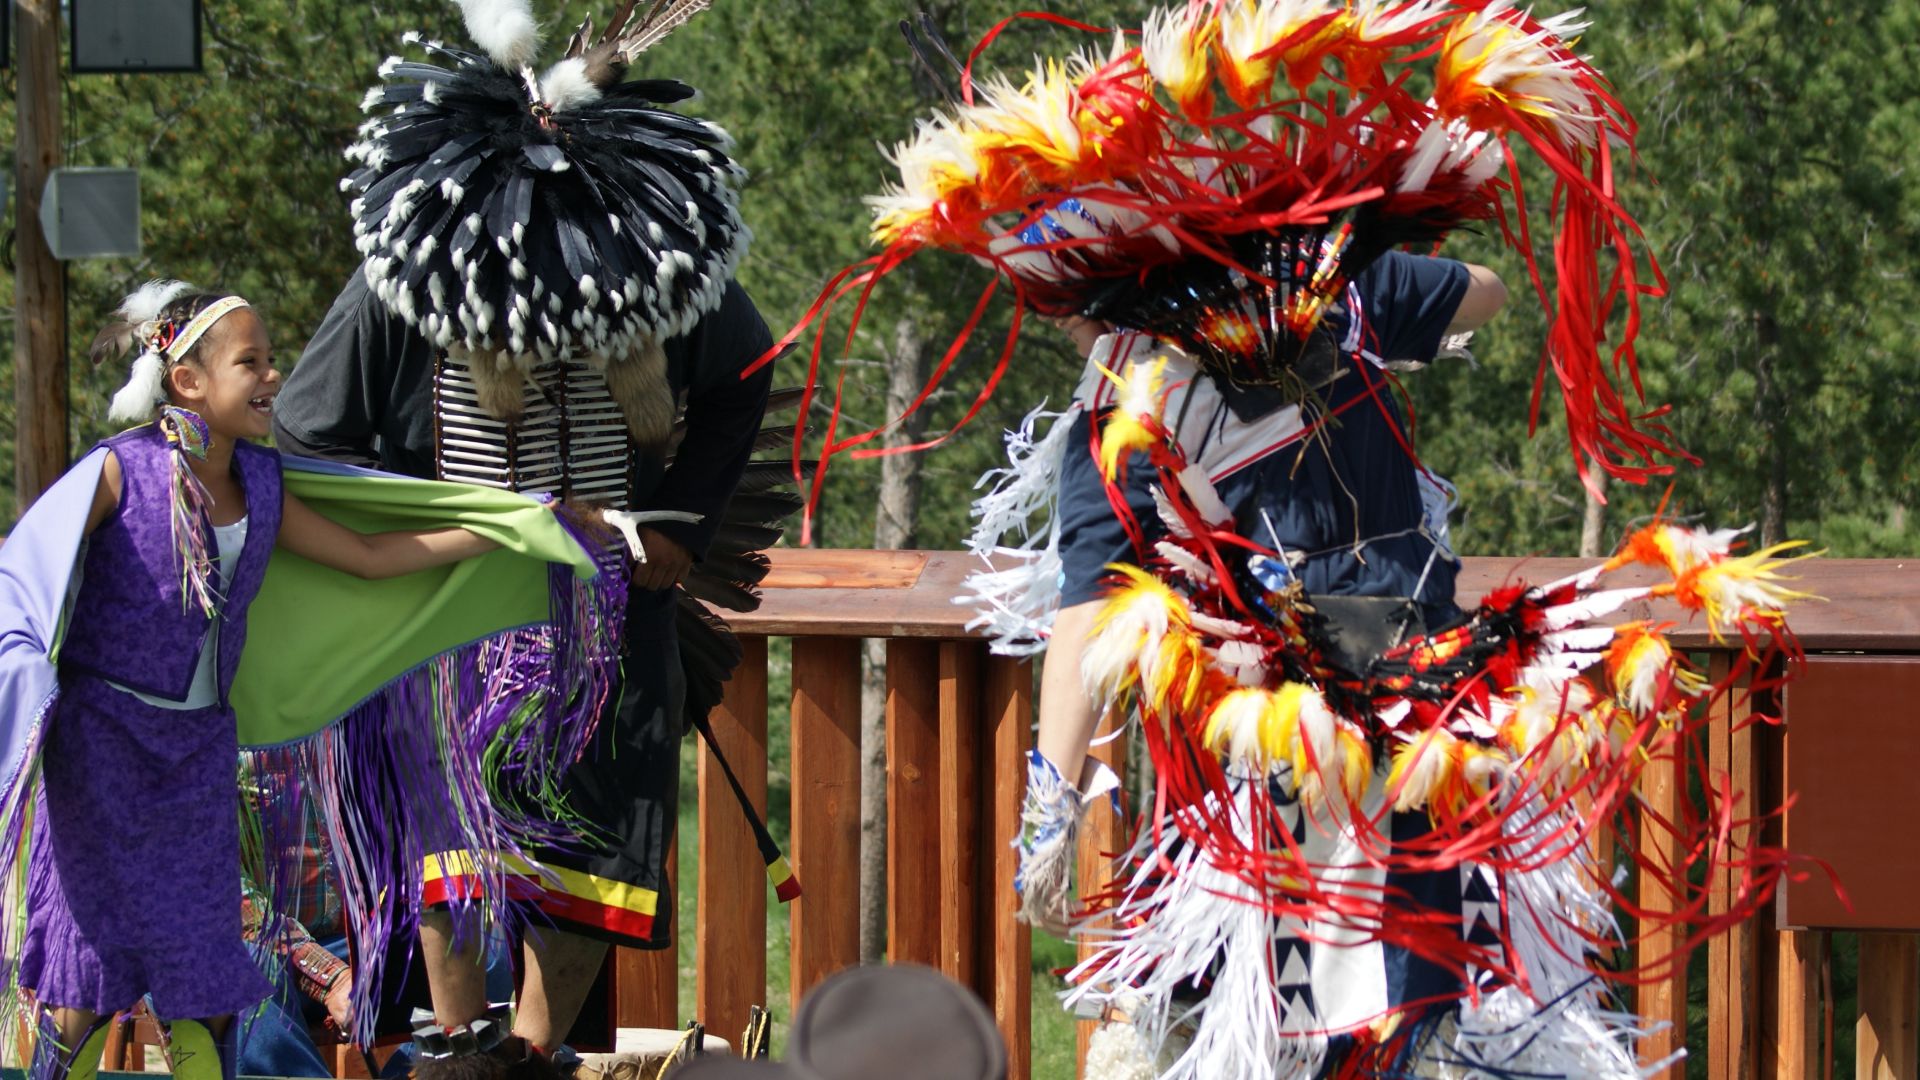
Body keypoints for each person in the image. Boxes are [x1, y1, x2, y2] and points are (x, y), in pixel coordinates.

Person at [780, 4, 1817, 1076]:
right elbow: (1488, 296)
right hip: (1418, 700)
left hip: (1278, 734)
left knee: (1289, 1015)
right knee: (1409, 1006)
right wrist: (1365, 273)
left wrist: (1052, 798)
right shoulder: (1338, 289)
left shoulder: (1127, 399)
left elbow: (1088, 607)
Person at [270, 3, 787, 1073]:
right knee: (448, 835)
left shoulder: (662, 277)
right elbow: (307, 429)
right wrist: (403, 545)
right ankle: (460, 1050)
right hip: (448, 606)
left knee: (591, 843)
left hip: (613, 603)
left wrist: (684, 523)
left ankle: (531, 1055)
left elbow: (744, 376)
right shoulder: (403, 287)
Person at [2, 280, 612, 1080]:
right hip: (101, 748)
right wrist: (24, 684)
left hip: (194, 751)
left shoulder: (260, 485)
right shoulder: (120, 474)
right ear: (187, 381)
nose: (272, 379)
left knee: (203, 972)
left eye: (272, 360)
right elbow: (27, 577)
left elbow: (371, 558)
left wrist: (513, 528)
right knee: (87, 968)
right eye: (250, 363)